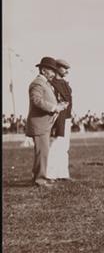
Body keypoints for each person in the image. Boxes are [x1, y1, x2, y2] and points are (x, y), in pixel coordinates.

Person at [25, 57, 69, 187]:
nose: (54, 74)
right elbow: (37, 101)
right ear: (43, 70)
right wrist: (55, 107)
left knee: (42, 152)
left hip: (43, 124)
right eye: (51, 71)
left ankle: (39, 177)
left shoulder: (44, 83)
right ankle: (40, 180)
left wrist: (59, 106)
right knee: (42, 153)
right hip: (40, 124)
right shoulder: (38, 83)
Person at [47, 59, 73, 180]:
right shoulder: (51, 84)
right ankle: (50, 174)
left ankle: (63, 174)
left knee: (64, 147)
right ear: (57, 68)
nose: (67, 71)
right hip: (57, 118)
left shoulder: (65, 84)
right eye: (64, 68)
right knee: (54, 146)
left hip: (67, 118)